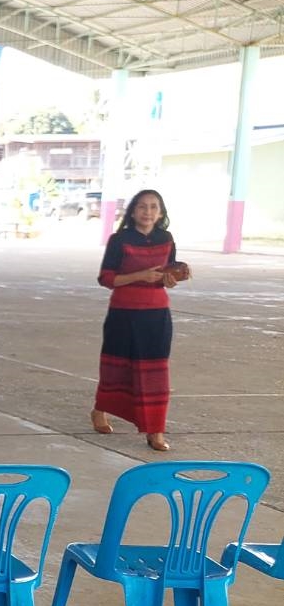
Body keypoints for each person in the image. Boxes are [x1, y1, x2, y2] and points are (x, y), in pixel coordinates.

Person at [92, 189, 187, 452]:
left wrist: (172, 278)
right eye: (142, 207)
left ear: (161, 213)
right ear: (133, 211)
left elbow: (167, 275)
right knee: (116, 369)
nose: (148, 212)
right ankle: (100, 410)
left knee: (155, 374)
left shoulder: (166, 239)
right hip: (123, 313)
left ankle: (155, 429)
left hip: (156, 315)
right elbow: (106, 278)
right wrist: (140, 275)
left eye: (154, 207)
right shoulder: (119, 240)